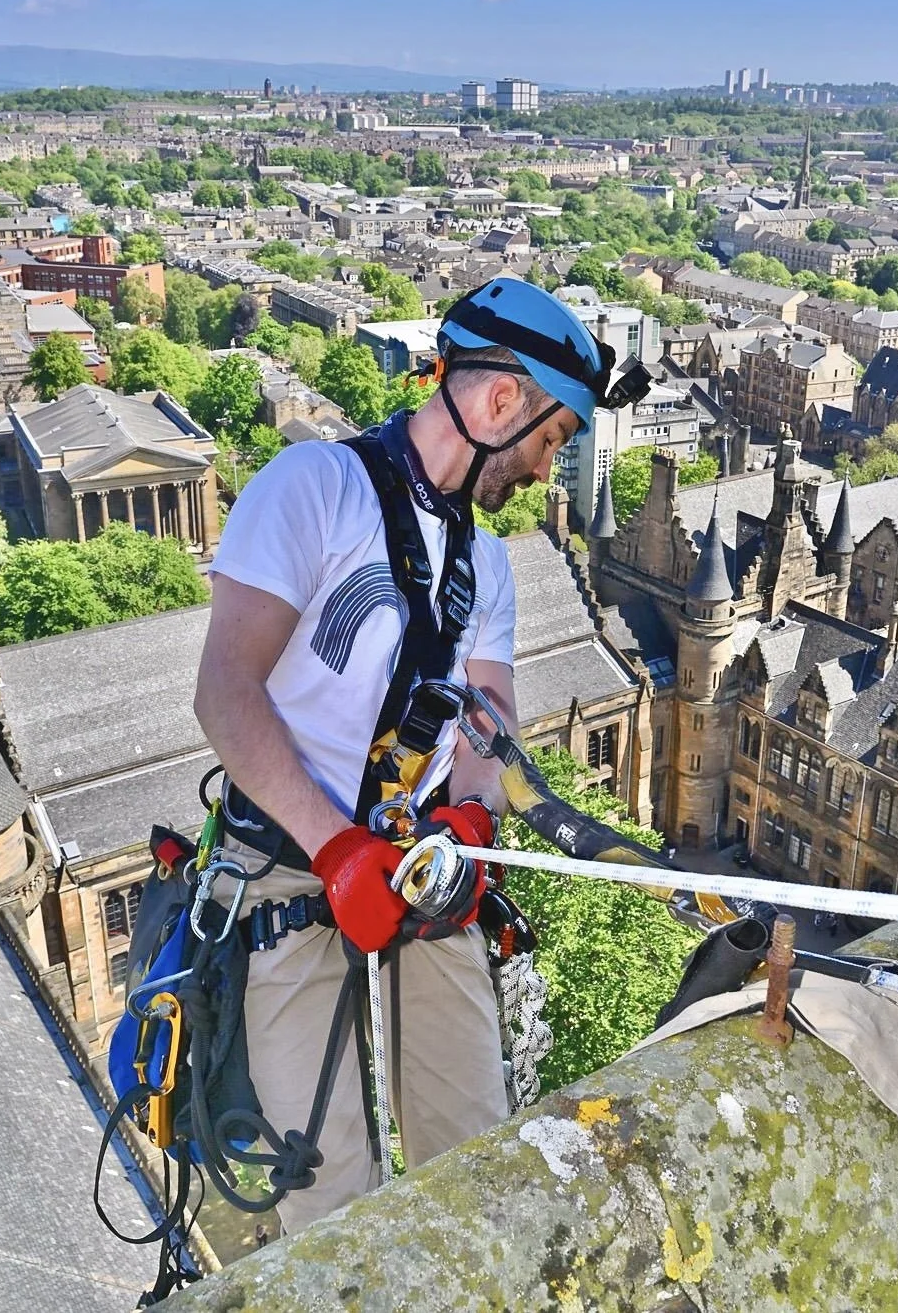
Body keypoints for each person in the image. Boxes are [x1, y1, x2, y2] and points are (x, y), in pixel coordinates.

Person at [194, 278, 616, 1233]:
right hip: (284, 876)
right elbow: (225, 692)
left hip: (425, 864)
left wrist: (472, 813)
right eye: (553, 439)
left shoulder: (491, 565)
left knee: (475, 1160)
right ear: (504, 402)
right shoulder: (314, 490)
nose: (548, 470)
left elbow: (487, 725)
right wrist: (334, 850)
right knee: (326, 1198)